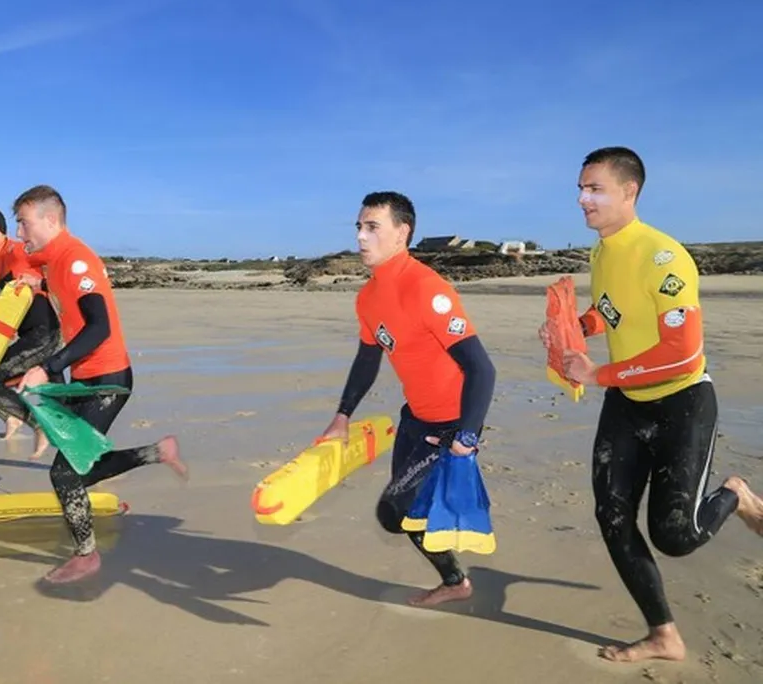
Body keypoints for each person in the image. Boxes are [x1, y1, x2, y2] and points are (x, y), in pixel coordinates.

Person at [539, 146, 763, 664]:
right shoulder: (601, 252)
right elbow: (612, 311)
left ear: (629, 191)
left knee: (676, 536)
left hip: (682, 403)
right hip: (626, 403)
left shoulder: (664, 256)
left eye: (594, 189)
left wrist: (599, 374)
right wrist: (574, 327)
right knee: (612, 516)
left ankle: (736, 493)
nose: (582, 199)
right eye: (580, 188)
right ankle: (664, 634)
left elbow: (679, 351)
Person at [319, 191, 497, 607]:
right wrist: (342, 415)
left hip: (452, 424)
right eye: (359, 228)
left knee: (394, 512)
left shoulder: (427, 289)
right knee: (408, 514)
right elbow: (367, 359)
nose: (361, 237)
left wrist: (466, 434)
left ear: (402, 233)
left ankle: (454, 573)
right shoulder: (367, 298)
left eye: (372, 228)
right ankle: (455, 581)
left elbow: (481, 368)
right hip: (415, 418)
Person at [11, 184, 187, 584]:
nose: (20, 233)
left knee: (66, 474)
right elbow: (24, 259)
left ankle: (87, 556)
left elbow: (100, 327)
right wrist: (31, 281)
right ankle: (158, 451)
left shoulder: (76, 261)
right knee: (80, 465)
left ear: (50, 220)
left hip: (107, 380)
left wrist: (48, 366)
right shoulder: (52, 259)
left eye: (24, 223)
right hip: (86, 378)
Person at [0, 204, 63, 454]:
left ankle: (35, 423)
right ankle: (17, 418)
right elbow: (1, 295)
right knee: (64, 407)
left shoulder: (19, 252)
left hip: (44, 333)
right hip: (26, 334)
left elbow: (54, 274)